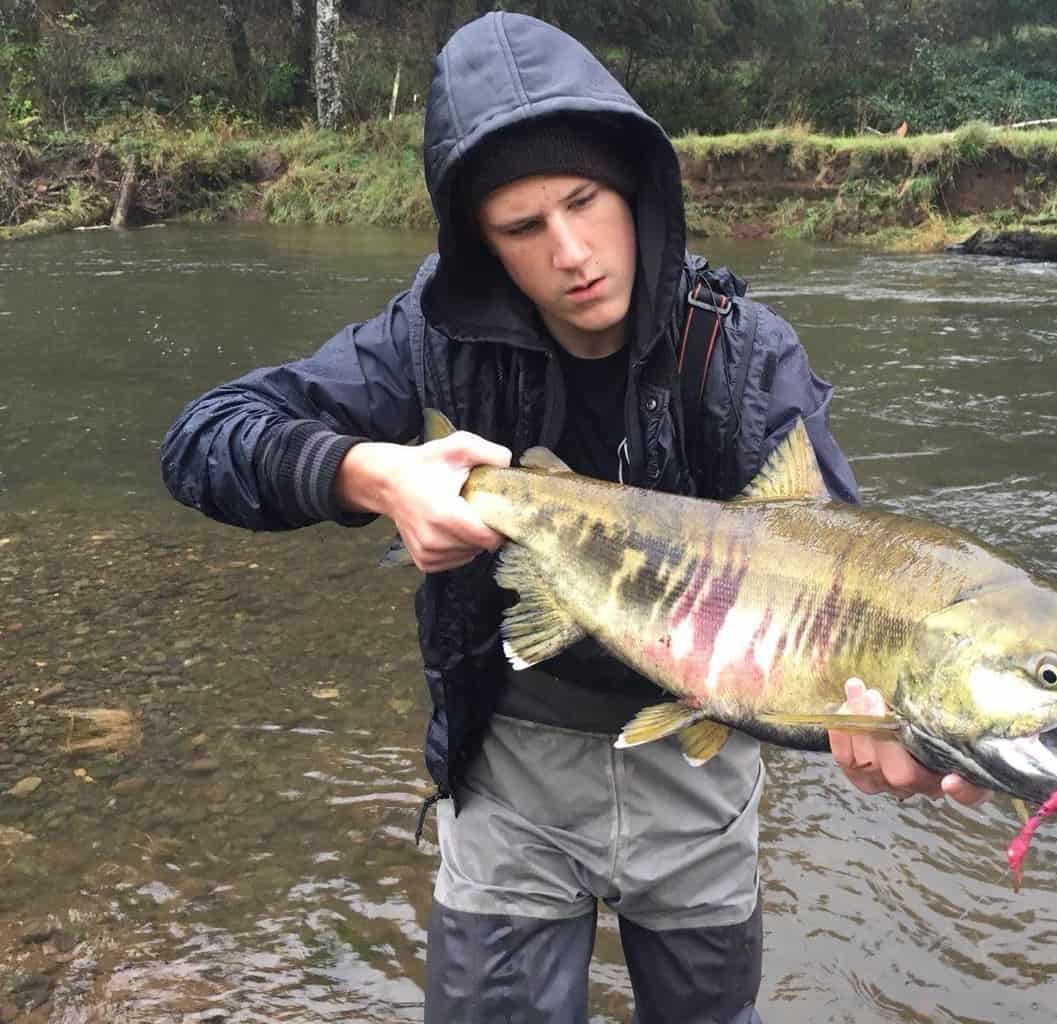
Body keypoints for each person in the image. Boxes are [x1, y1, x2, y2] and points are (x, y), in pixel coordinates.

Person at [161, 12, 988, 1022]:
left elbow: (857, 577)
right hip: (506, 763)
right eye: (522, 228)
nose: (570, 252)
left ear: (634, 189)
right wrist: (370, 476)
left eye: (585, 202)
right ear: (484, 246)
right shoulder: (428, 339)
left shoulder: (739, 354)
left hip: (699, 770)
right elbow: (204, 438)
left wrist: (888, 719)